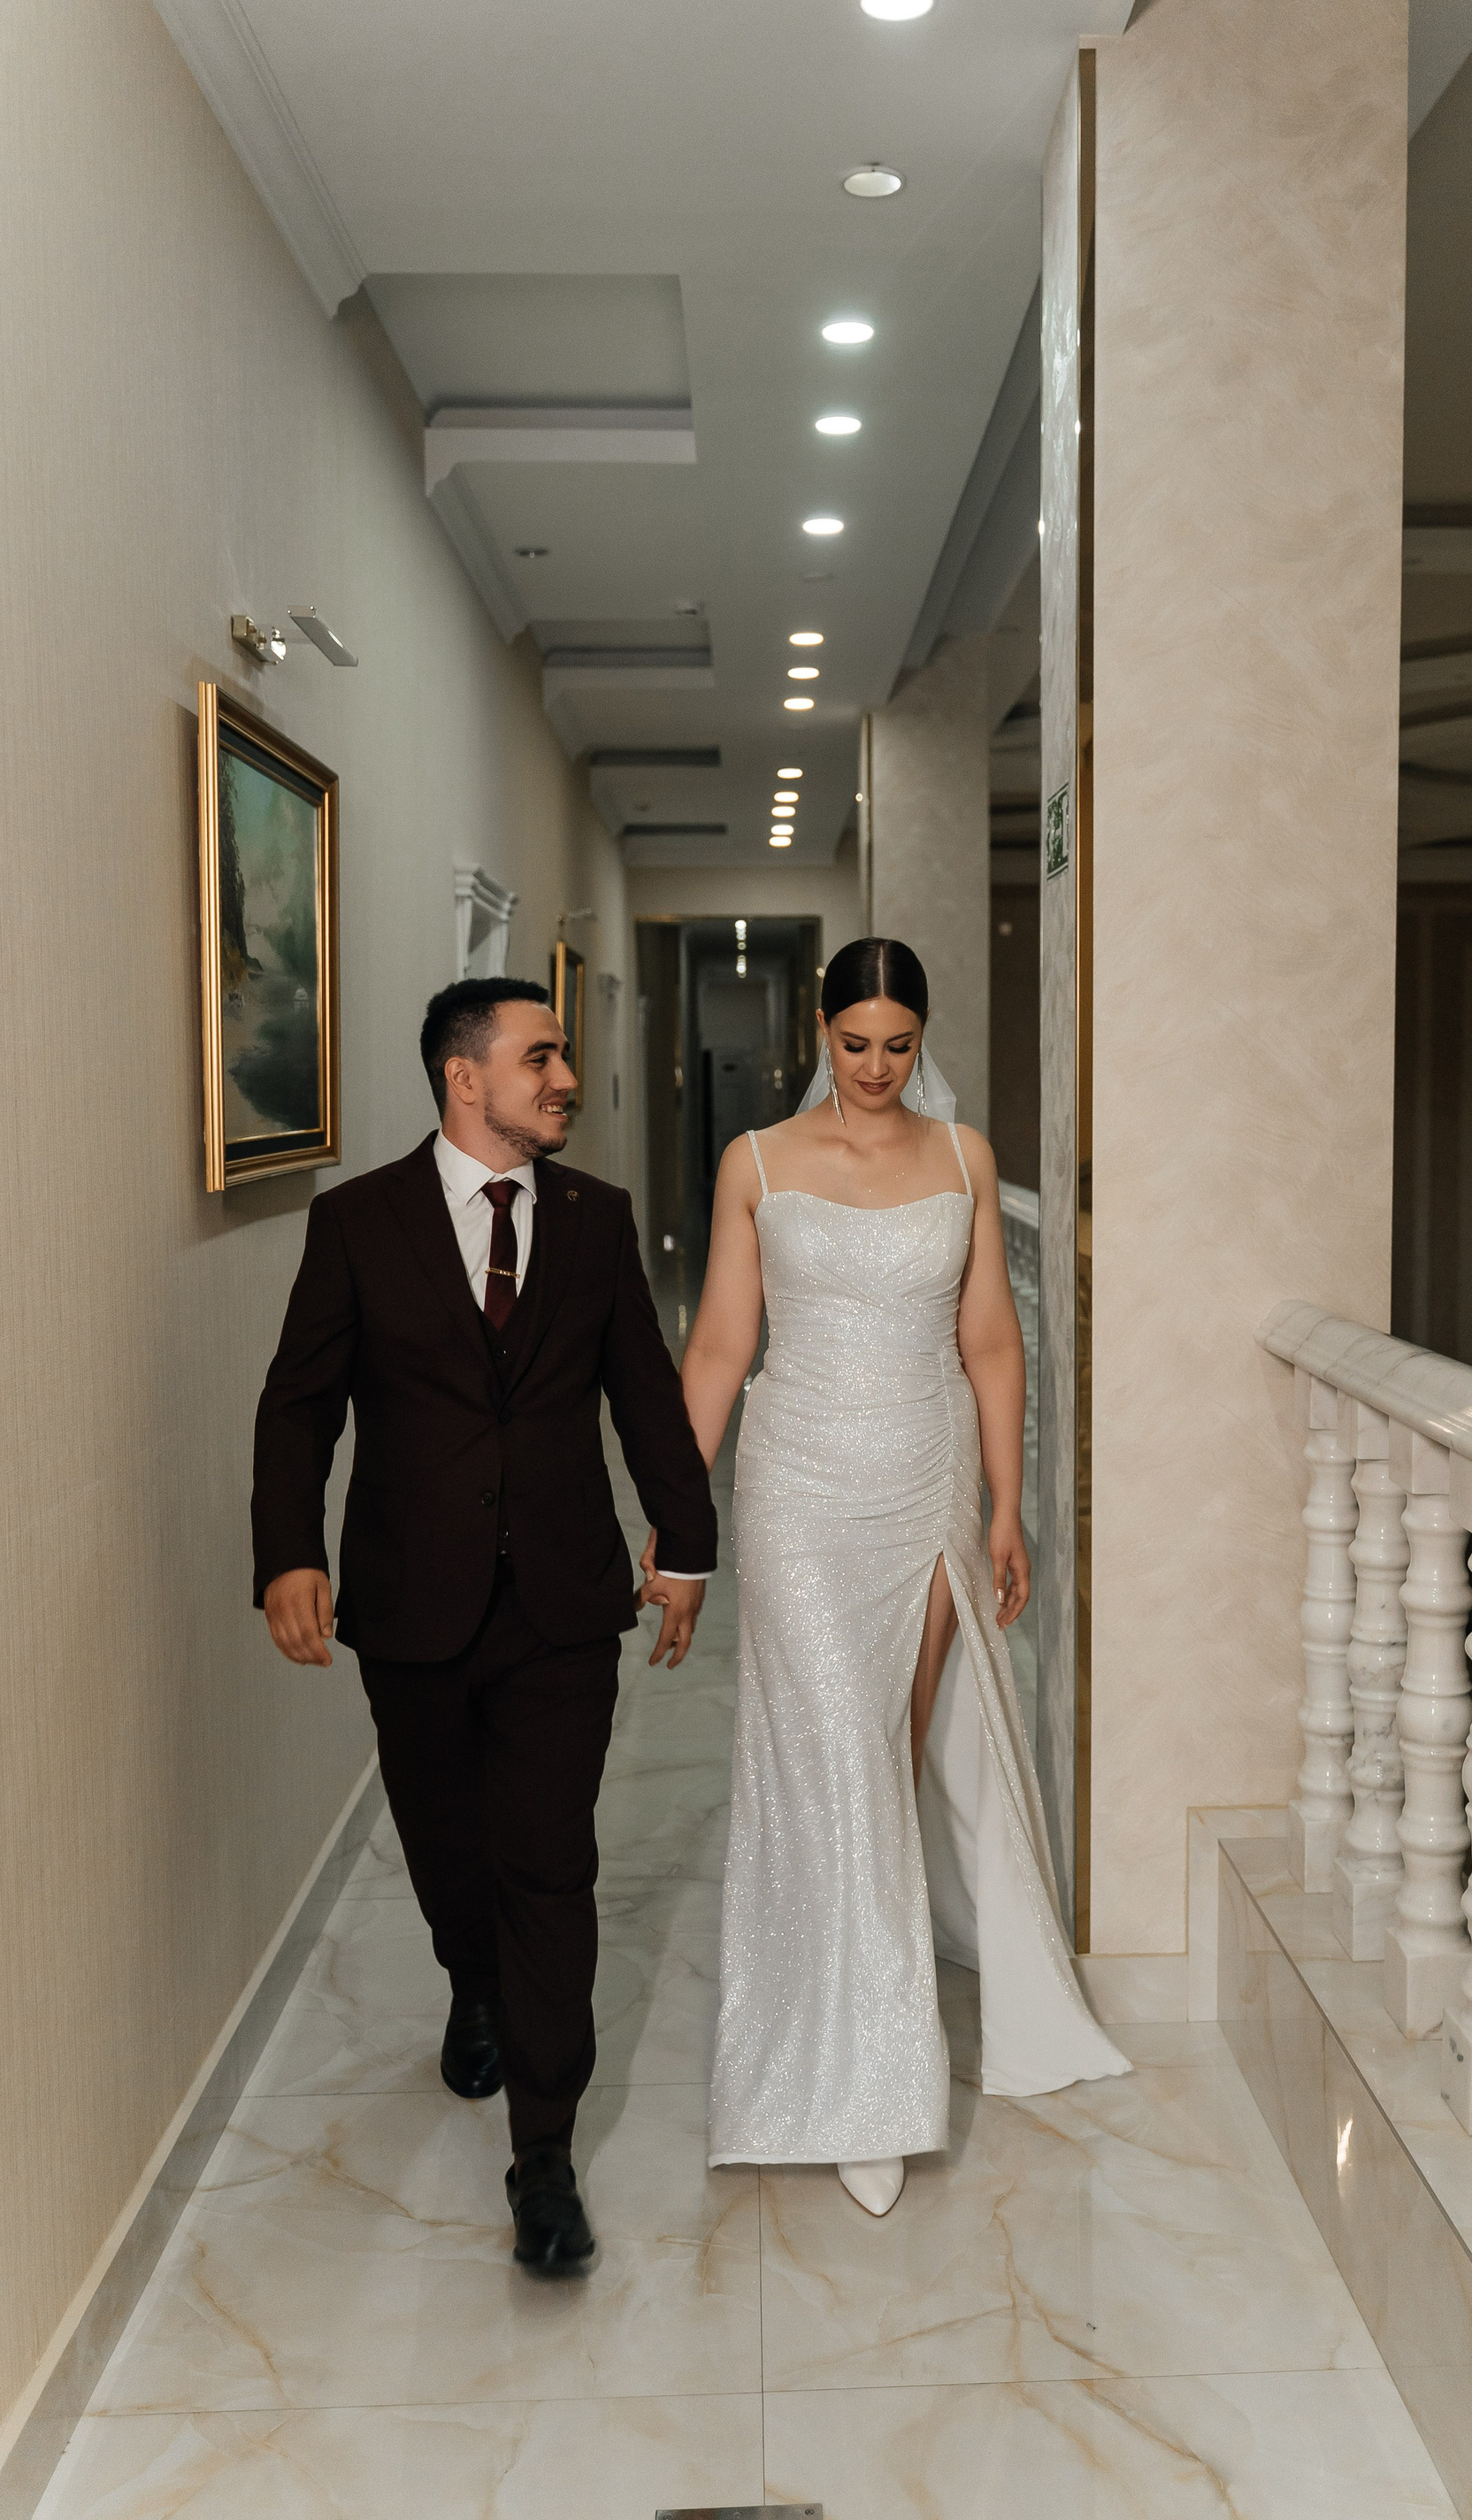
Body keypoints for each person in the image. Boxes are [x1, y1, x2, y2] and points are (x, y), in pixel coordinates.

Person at [251, 977, 717, 2276]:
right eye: (541, 1057)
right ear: (466, 1078)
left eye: (562, 1057)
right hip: (413, 1598)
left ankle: (544, 2155)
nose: (566, 1079)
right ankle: (471, 1978)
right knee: (450, 1850)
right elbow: (299, 1405)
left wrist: (687, 1544)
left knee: (549, 1864)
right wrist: (288, 1551)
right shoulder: (359, 1222)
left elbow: (645, 1394)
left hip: (564, 1601)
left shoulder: (595, 1219)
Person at [681, 936, 1128, 2220]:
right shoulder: (756, 1162)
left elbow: (991, 1341)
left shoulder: (964, 1158)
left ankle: (873, 2051)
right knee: (829, 1753)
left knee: (879, 1757)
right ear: (819, 1033)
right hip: (796, 1488)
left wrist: (1006, 1501)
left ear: (921, 1041)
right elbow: (719, 1346)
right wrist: (674, 1507)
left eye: (898, 1046)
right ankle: (854, 2083)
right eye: (853, 1044)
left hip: (924, 1484)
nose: (875, 1067)